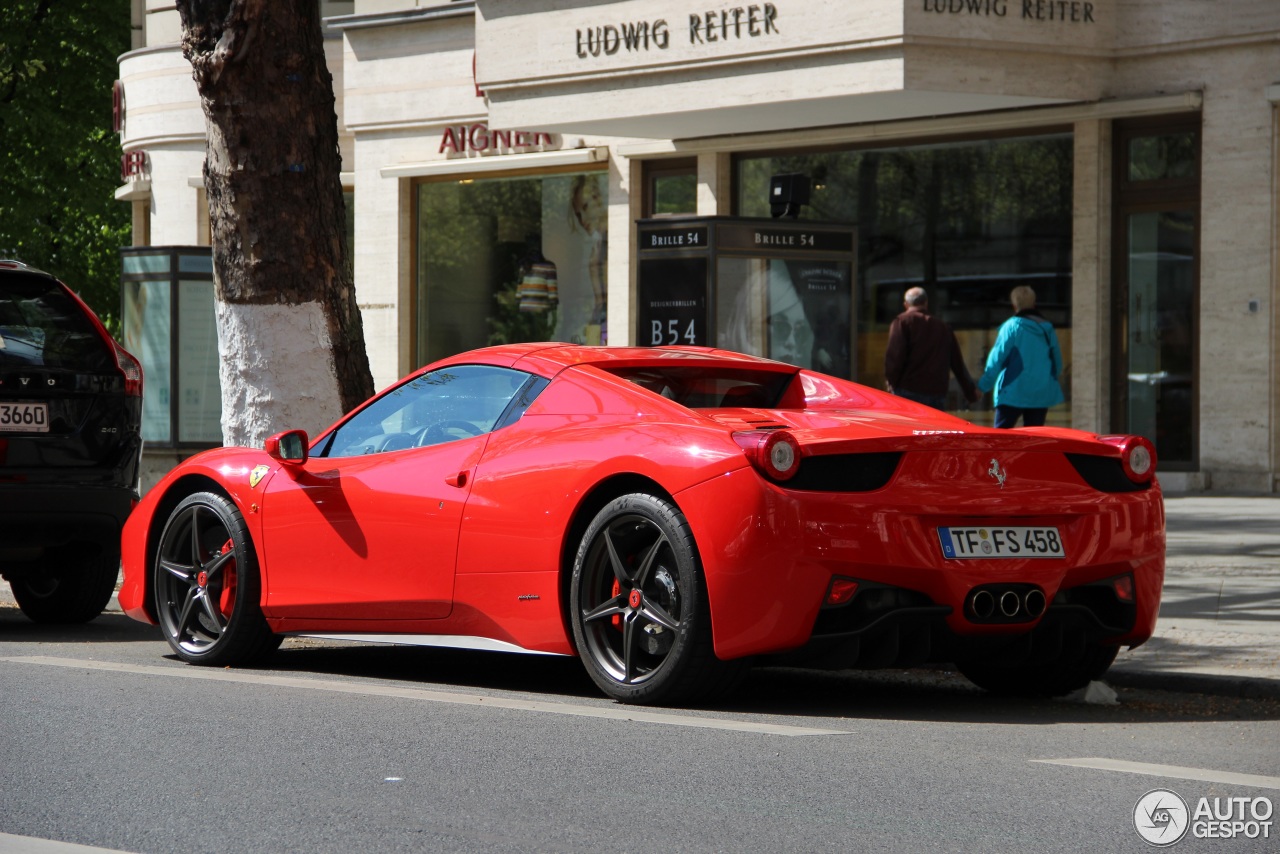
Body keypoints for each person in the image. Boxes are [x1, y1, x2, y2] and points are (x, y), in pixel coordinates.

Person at [976, 285, 1064, 428]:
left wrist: (982, 387)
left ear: (1014, 305)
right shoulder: (1047, 329)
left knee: (1001, 441)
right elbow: (1057, 363)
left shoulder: (1011, 327)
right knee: (1034, 441)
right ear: (1034, 303)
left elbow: (996, 360)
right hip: (1040, 395)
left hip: (1012, 394)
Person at [883, 286, 977, 410]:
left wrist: (891, 382)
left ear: (906, 304)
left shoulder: (901, 322)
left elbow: (895, 357)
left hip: (907, 390)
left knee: (908, 429)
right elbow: (957, 363)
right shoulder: (943, 328)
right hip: (936, 393)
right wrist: (971, 393)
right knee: (932, 429)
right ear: (926, 303)